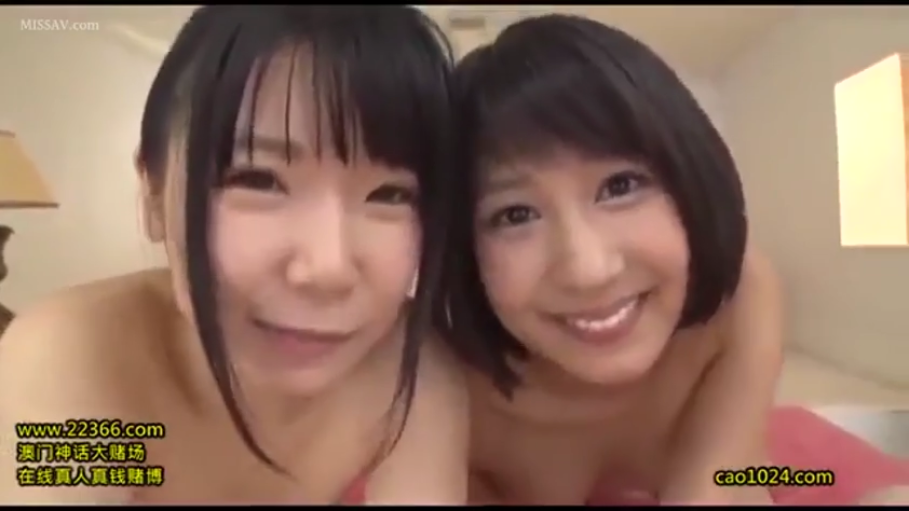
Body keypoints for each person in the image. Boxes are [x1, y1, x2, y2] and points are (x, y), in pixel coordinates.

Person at [0, 6, 468, 504]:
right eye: (258, 180)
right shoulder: (90, 360)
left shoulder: (410, 373)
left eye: (391, 195)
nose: (327, 268)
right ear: (154, 195)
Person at [441, 14, 909, 506]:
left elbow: (719, 484)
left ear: (690, 176)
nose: (588, 270)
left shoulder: (742, 296)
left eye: (620, 186)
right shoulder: (444, 383)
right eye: (515, 215)